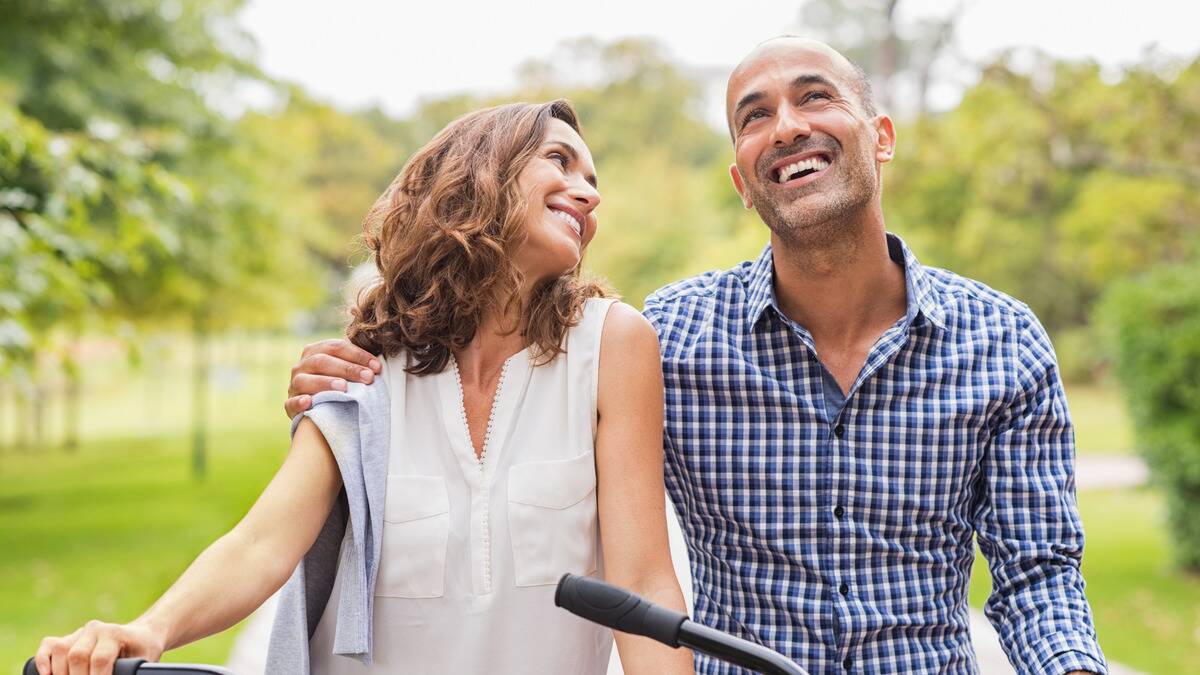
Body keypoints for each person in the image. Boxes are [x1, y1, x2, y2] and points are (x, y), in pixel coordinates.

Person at [287, 38, 1109, 674]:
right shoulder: (665, 338)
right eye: (755, 115)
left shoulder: (1004, 341)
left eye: (814, 98)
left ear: (880, 136)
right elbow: (507, 362)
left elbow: (1038, 575)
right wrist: (359, 376)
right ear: (742, 182)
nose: (786, 125)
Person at [34, 100, 692, 675]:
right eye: (561, 161)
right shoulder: (366, 365)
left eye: (593, 178)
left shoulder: (612, 344)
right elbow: (264, 542)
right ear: (479, 176)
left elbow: (643, 582)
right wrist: (148, 628)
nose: (589, 191)